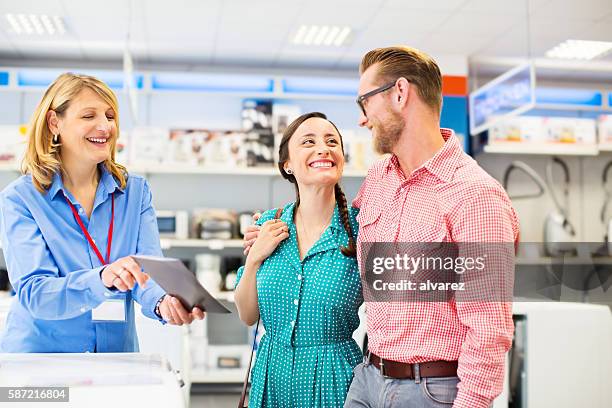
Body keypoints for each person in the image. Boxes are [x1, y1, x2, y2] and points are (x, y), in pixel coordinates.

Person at [245, 47, 519, 408]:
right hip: (368, 378)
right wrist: (270, 232)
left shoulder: (475, 195)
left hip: (429, 389)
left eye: (364, 103)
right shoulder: (379, 178)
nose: (362, 119)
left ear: (400, 93)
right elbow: (333, 222)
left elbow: (490, 330)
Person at [0, 73, 204, 353]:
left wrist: (163, 302)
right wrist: (102, 278)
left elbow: (148, 271)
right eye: (88, 116)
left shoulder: (134, 192)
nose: (104, 126)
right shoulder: (21, 199)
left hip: (115, 357)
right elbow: (36, 292)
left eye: (109, 116)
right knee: (56, 401)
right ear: (54, 122)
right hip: (41, 360)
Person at [234, 112, 363, 407]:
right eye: (309, 141)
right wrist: (254, 258)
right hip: (272, 375)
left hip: (335, 381)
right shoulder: (269, 224)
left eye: (332, 141)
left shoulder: (361, 230)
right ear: (287, 164)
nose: (323, 148)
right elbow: (247, 315)